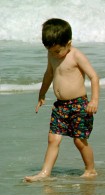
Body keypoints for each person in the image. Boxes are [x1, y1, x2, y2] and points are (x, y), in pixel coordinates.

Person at [24, 18, 99, 182]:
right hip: (60, 106)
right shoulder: (52, 54)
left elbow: (94, 77)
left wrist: (94, 101)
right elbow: (49, 74)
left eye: (57, 51)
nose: (54, 54)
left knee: (79, 141)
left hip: (79, 105)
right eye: (50, 51)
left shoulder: (76, 56)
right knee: (53, 138)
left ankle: (90, 169)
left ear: (69, 43)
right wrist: (42, 94)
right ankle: (45, 173)